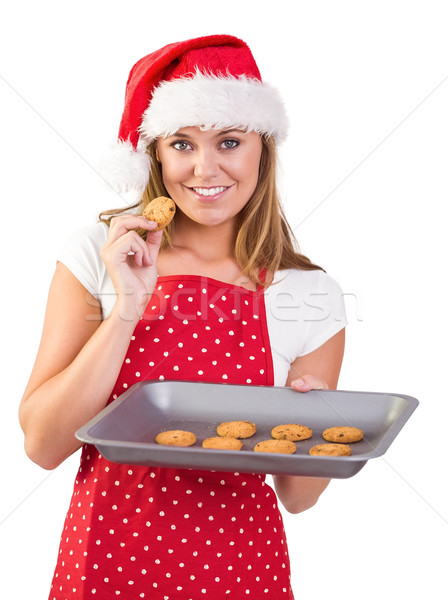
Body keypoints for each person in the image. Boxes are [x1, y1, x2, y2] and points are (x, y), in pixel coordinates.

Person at [19, 34, 347, 599]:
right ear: (156, 153)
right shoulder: (101, 251)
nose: (204, 168)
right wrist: (127, 307)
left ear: (262, 149)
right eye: (181, 143)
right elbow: (43, 445)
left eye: (228, 141)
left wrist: (312, 423)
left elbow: (297, 496)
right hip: (106, 567)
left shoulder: (310, 292)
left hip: (243, 572)